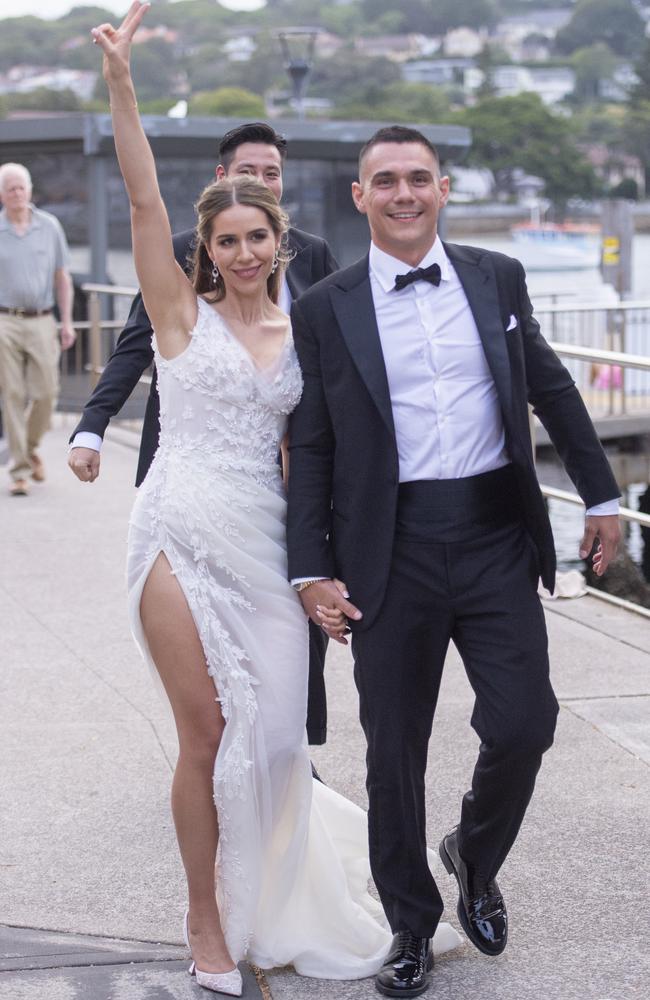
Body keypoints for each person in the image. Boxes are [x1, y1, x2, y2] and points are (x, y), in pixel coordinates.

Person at [89, 5, 461, 995]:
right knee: (206, 729)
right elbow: (135, 199)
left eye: (258, 236)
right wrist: (121, 83)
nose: (244, 252)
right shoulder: (177, 314)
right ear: (204, 249)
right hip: (173, 526)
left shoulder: (309, 336)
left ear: (278, 240)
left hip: (267, 541)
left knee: (271, 739)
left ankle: (271, 884)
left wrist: (346, 562)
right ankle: (204, 915)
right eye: (227, 240)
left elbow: (333, 451)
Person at [286, 125, 622, 998]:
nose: (404, 194)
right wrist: (310, 567)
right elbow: (312, 445)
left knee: (524, 724)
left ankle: (473, 852)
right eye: (386, 181)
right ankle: (409, 926)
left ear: (444, 189)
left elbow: (550, 386)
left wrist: (604, 496)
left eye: (420, 179)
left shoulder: (494, 276)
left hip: (493, 537)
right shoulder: (324, 305)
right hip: (384, 548)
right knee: (393, 748)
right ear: (359, 196)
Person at [68, 124, 337, 748]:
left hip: (275, 511)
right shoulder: (186, 271)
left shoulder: (316, 259)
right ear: (222, 180)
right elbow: (138, 339)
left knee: (286, 685)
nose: (245, 252)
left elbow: (330, 400)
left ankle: (291, 761)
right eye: (249, 172)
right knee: (209, 716)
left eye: (271, 174)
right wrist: (92, 426)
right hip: (186, 502)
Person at [0, 162, 76, 496]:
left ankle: (28, 448)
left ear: (30, 190)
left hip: (43, 318)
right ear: (2, 194)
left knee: (47, 393)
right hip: (5, 320)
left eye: (21, 187)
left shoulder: (49, 226)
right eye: (9, 188)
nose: (16, 193)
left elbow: (63, 277)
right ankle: (18, 471)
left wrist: (68, 321)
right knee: (12, 394)